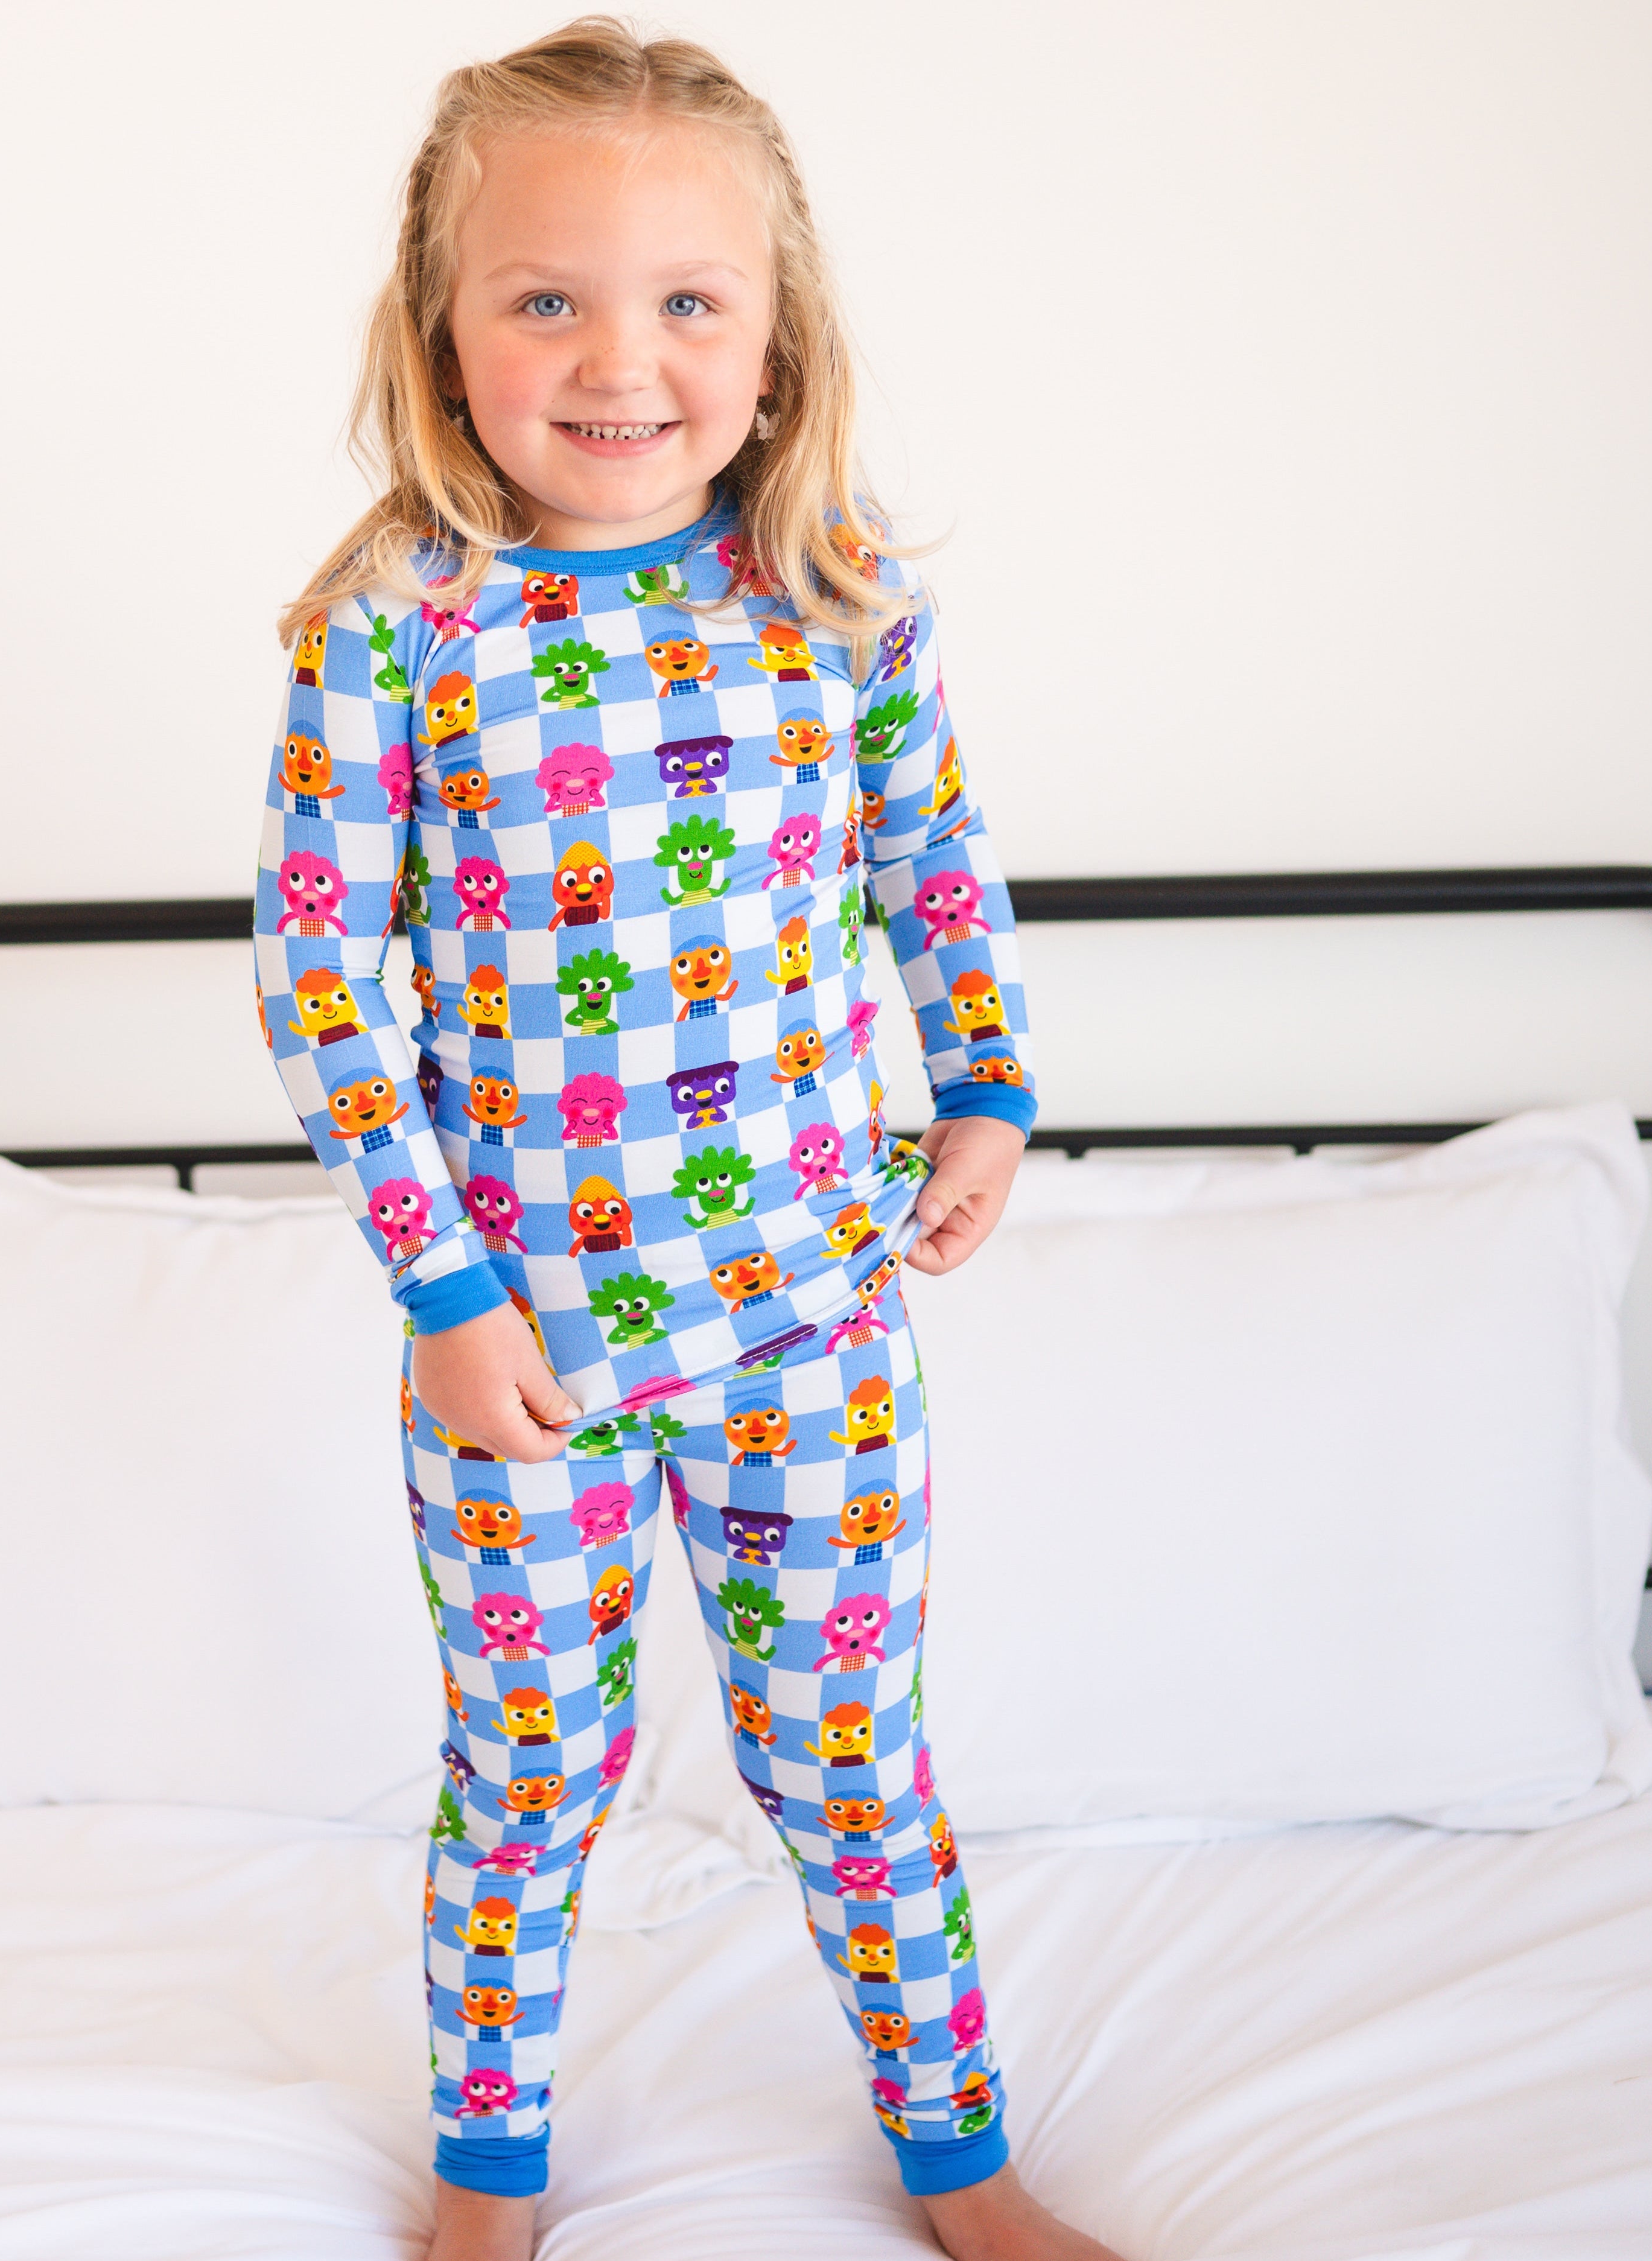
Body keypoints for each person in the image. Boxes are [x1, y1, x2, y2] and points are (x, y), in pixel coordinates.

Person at [252, 20, 1122, 2260]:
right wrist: (439, 1287)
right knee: (529, 1779)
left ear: (774, 331)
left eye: (683, 301)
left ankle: (959, 2163)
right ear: (443, 335)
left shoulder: (830, 595)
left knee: (850, 1769)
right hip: (517, 1351)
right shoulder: (395, 626)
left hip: (808, 1323)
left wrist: (990, 1088)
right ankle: (487, 2174)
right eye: (543, 296)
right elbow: (320, 976)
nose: (615, 357)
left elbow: (936, 859)